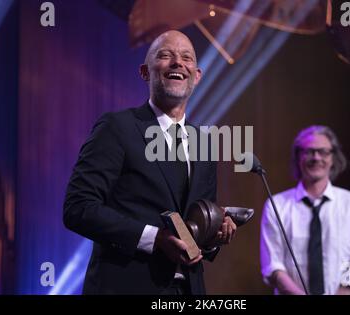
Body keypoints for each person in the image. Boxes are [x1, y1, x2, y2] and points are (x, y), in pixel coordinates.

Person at [63, 30, 236, 295]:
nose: (178, 62)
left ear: (197, 75)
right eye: (165, 55)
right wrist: (154, 239)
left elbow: (197, 231)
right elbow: (78, 208)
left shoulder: (204, 144)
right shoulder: (117, 128)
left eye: (186, 57)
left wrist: (214, 235)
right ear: (145, 72)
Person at [260, 125, 350, 295]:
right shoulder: (277, 205)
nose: (316, 157)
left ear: (333, 157)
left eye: (323, 152)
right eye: (309, 152)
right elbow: (274, 266)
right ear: (298, 157)